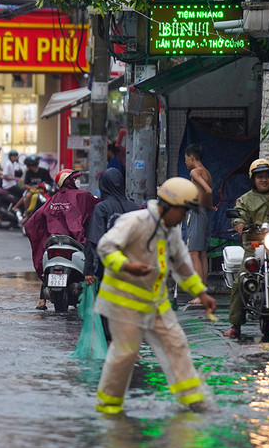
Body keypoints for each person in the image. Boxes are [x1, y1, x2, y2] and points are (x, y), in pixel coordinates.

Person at [94, 177, 219, 415]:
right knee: (126, 353)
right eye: (183, 212)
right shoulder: (135, 221)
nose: (184, 218)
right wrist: (127, 266)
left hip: (155, 302)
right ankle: (108, 404)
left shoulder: (170, 231)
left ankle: (192, 398)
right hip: (124, 302)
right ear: (168, 206)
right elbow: (106, 247)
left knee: (176, 343)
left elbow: (182, 265)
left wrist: (201, 294)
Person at [25, 168, 98, 309]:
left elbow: (33, 221)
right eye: (75, 179)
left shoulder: (53, 199)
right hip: (76, 240)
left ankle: (42, 300)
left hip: (55, 242)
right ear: (69, 181)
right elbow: (98, 207)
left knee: (46, 262)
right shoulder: (82, 196)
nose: (78, 181)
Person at [226, 158, 269, 341]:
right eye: (260, 177)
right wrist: (239, 223)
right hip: (255, 246)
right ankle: (235, 324)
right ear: (253, 179)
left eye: (267, 176)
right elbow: (238, 214)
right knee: (241, 280)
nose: (264, 180)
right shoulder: (245, 199)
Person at [183, 144, 214, 295]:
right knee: (202, 252)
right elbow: (207, 193)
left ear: (191, 158)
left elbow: (207, 190)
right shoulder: (207, 172)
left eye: (186, 159)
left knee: (193, 252)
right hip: (204, 212)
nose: (185, 162)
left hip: (195, 213)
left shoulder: (195, 172)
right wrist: (210, 206)